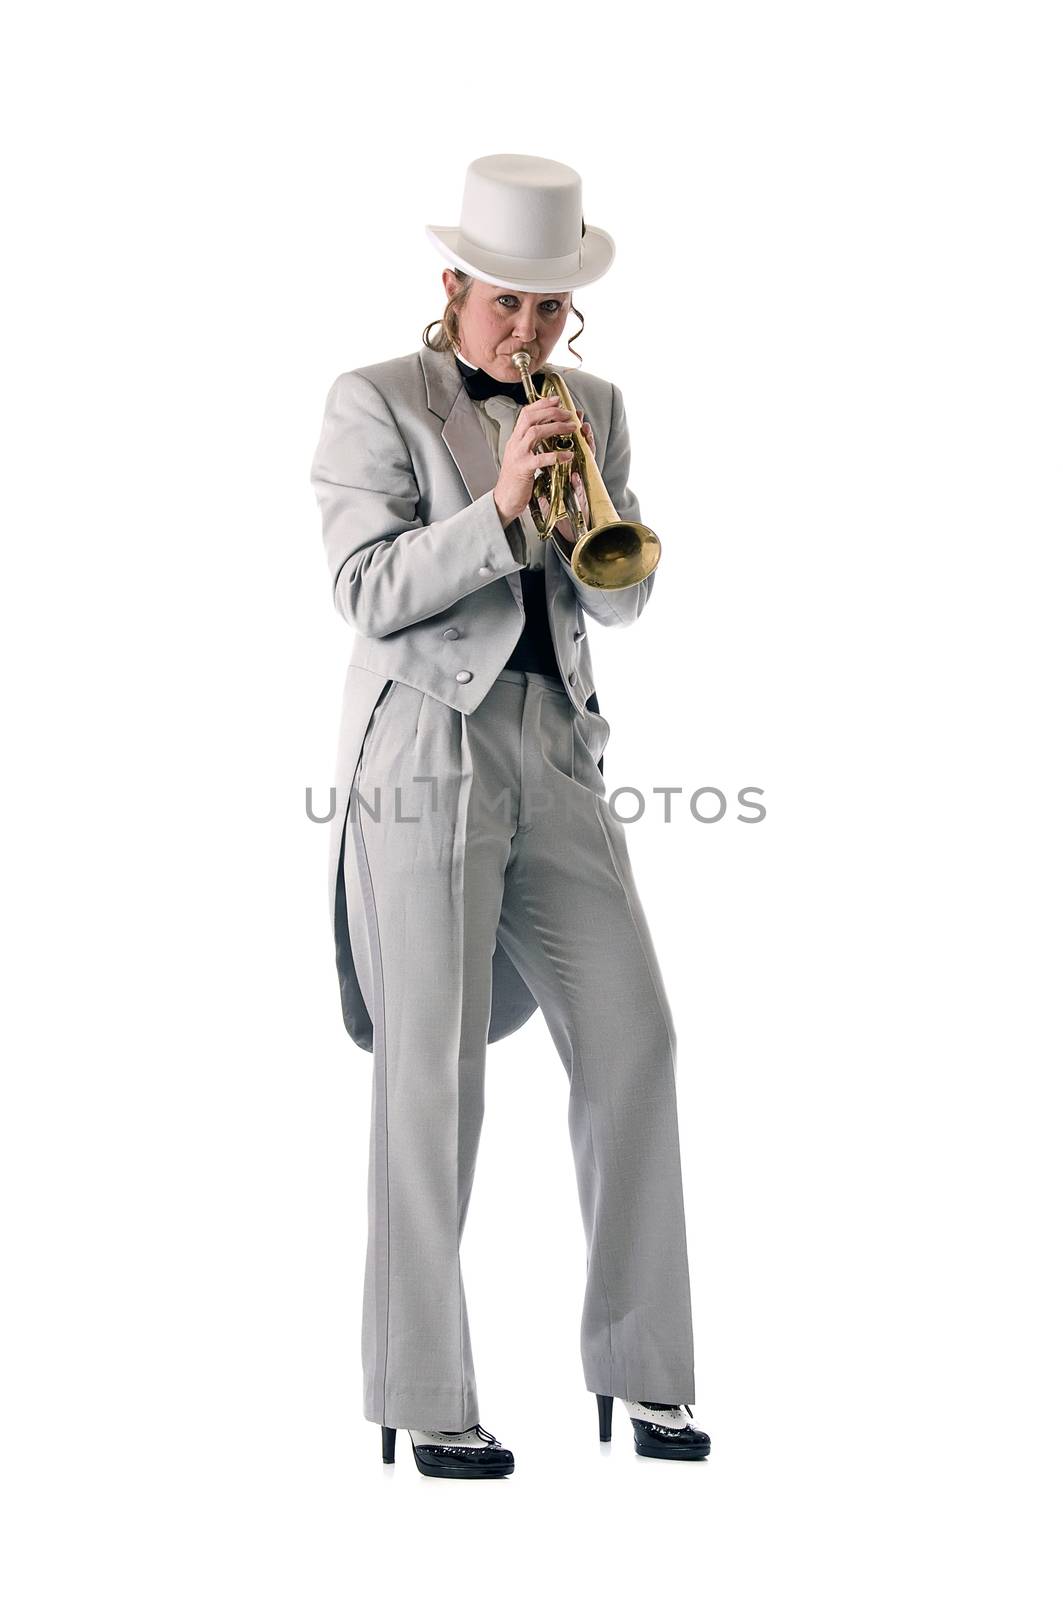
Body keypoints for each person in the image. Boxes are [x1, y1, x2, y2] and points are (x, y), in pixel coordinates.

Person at [309, 153, 710, 1478]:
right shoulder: (376, 400)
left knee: (636, 1038)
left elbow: (620, 599)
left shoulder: (593, 403)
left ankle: (644, 1373)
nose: (528, 330)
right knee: (436, 1073)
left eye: (549, 308)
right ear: (453, 286)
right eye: (506, 304)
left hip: (558, 748)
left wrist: (591, 506)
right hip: (425, 740)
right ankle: (422, 1393)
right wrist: (494, 508)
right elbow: (368, 591)